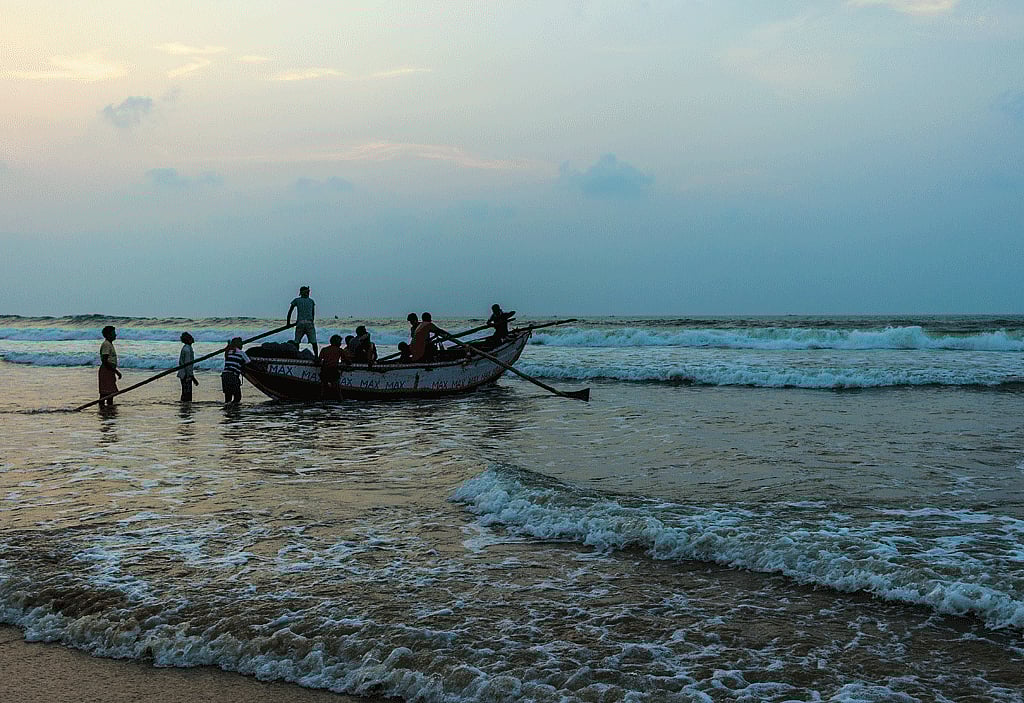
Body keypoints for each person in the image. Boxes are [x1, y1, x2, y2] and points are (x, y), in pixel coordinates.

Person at [287, 286, 318, 356]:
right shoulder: (311, 301)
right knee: (314, 341)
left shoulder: (297, 300)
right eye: (308, 292)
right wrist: (312, 322)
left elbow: (290, 312)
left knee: (297, 341)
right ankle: (316, 356)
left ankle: (296, 355)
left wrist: (288, 323)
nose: (308, 293)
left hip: (300, 323)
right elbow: (313, 314)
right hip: (309, 323)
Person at [98, 325, 122, 406]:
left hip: (109, 370)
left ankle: (108, 408)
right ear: (108, 335)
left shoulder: (109, 344)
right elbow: (105, 360)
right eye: (113, 333)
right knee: (105, 393)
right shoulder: (106, 344)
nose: (115, 335)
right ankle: (104, 409)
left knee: (110, 393)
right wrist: (116, 371)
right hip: (107, 370)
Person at [221, 337, 250, 405]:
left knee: (228, 398)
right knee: (237, 397)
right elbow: (248, 362)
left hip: (224, 376)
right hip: (233, 376)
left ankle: (228, 409)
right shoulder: (241, 353)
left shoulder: (228, 352)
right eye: (241, 344)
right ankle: (234, 410)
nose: (242, 346)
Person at [318, 334, 348, 399]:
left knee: (323, 387)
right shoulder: (339, 350)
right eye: (340, 342)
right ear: (337, 342)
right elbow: (347, 360)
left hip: (324, 370)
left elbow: (319, 360)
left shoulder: (324, 349)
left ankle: (321, 398)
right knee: (337, 388)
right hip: (333, 370)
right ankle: (340, 400)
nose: (340, 343)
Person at [177, 332, 199, 402]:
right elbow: (187, 365)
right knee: (187, 393)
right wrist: (192, 377)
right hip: (185, 375)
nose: (192, 339)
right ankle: (186, 406)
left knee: (185, 392)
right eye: (190, 338)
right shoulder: (187, 350)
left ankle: (184, 405)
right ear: (188, 340)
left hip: (183, 373)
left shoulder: (186, 348)